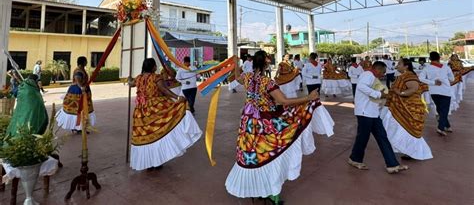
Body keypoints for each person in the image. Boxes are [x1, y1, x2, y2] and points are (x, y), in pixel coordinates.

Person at [225, 51, 334, 204]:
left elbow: (237, 78)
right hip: (265, 123)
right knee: (271, 153)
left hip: (248, 123)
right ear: (265, 63)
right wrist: (308, 98)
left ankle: (258, 188)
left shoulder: (247, 77)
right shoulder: (268, 82)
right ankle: (271, 193)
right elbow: (284, 101)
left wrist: (236, 65)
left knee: (252, 153)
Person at [128, 58, 202, 171]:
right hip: (155, 108)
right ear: (153, 67)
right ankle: (156, 162)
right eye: (155, 65)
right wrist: (177, 97)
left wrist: (128, 78)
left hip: (141, 111)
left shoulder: (138, 78)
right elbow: (165, 90)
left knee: (146, 136)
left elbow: (131, 83)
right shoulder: (156, 77)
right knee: (158, 134)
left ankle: (149, 163)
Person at [348, 61, 408, 174]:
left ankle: (392, 164)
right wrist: (379, 94)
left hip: (373, 113)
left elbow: (379, 91)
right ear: (377, 69)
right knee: (363, 138)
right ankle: (355, 159)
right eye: (383, 72)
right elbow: (361, 87)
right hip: (364, 112)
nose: (384, 74)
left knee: (382, 137)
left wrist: (385, 95)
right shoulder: (367, 75)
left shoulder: (373, 77)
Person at [381, 58, 432, 160]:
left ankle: (413, 152)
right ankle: (408, 151)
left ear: (406, 66)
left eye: (399, 64)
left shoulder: (409, 76)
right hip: (401, 108)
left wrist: (400, 93)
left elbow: (413, 89)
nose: (397, 65)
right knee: (401, 130)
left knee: (407, 131)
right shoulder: (403, 76)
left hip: (410, 109)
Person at [56, 56, 96, 133]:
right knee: (79, 109)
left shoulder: (81, 70)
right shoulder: (79, 71)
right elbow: (77, 79)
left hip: (81, 91)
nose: (87, 62)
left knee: (80, 109)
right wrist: (81, 87)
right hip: (77, 92)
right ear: (83, 62)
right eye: (86, 61)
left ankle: (78, 127)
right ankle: (78, 127)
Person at [419, 51, 454, 136]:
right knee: (444, 110)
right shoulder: (446, 67)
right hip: (445, 91)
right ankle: (440, 127)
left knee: (440, 109)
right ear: (439, 58)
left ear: (430, 59)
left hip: (434, 91)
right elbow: (452, 79)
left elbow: (420, 78)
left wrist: (433, 82)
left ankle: (448, 126)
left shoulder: (427, 68)